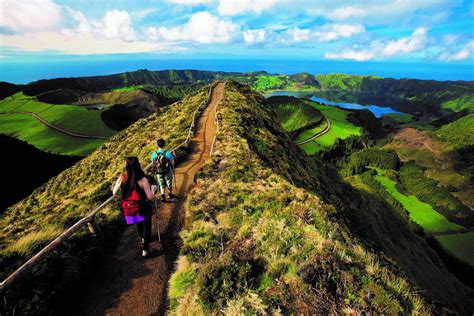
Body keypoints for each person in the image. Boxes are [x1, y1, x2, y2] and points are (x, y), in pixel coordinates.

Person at [113, 157, 154, 257]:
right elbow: (149, 197)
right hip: (142, 206)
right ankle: (145, 250)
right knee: (146, 227)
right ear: (138, 165)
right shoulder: (142, 179)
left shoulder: (122, 178)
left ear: (127, 166)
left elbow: (114, 192)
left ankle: (143, 239)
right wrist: (153, 190)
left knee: (139, 224)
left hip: (129, 207)